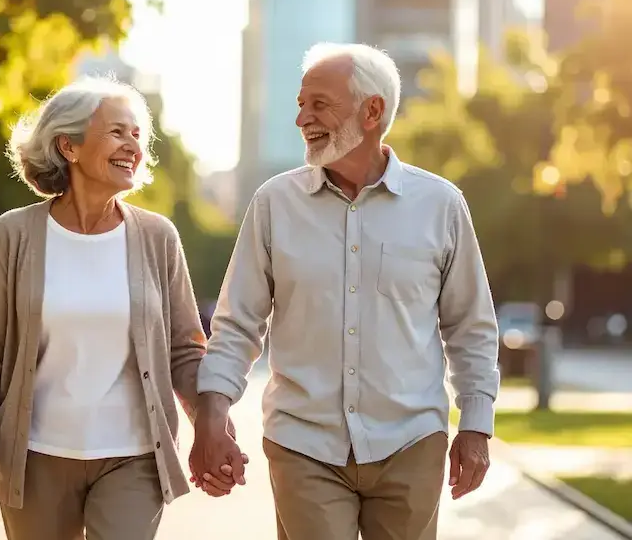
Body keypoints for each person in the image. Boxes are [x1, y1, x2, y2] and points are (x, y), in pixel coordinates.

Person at [189, 43, 500, 540]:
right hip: (303, 443)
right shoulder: (274, 203)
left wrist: (476, 426)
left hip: (411, 442)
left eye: (319, 104)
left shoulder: (440, 205)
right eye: (300, 104)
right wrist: (212, 411)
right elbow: (238, 323)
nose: (302, 119)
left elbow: (470, 327)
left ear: (372, 111)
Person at [0, 76, 238, 540]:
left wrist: (211, 425)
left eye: (137, 135)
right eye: (117, 132)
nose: (133, 145)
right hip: (35, 459)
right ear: (68, 146)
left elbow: (185, 350)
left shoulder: (157, 237)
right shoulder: (15, 234)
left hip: (134, 457)